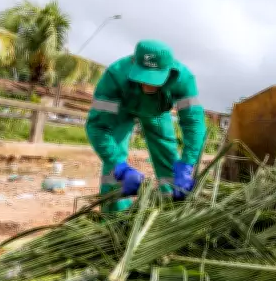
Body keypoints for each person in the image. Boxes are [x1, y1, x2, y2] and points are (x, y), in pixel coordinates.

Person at [85, 39, 207, 213]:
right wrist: (118, 164)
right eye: (143, 77)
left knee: (166, 152)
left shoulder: (183, 79)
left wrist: (188, 163)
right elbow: (98, 127)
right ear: (134, 64)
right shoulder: (115, 75)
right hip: (122, 109)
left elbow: (193, 123)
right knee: (114, 156)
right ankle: (115, 215)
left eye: (155, 79)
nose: (148, 85)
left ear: (169, 71)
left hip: (157, 111)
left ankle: (171, 206)